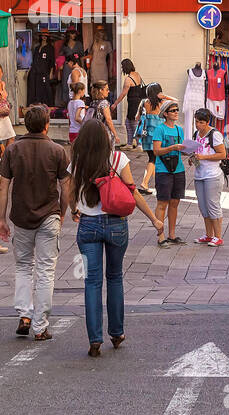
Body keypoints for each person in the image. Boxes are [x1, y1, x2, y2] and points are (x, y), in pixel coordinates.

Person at [67, 118, 160, 357]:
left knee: (92, 281)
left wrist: (73, 209)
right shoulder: (119, 159)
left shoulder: (78, 161)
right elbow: (133, 192)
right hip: (117, 224)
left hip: (88, 225)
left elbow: (68, 190)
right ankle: (117, 333)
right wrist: (153, 219)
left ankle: (95, 338)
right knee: (115, 277)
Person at [1, 105, 71, 340]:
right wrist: (62, 212)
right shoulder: (57, 150)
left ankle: (25, 315)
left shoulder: (13, 150)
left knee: (23, 266)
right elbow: (66, 185)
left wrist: (0, 218)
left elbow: (3, 186)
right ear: (47, 125)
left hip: (21, 216)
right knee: (45, 271)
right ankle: (40, 326)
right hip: (49, 214)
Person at [190, 108, 228, 246]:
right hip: (200, 174)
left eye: (201, 122)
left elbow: (222, 154)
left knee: (213, 205)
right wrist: (193, 159)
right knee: (203, 206)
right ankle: (208, 234)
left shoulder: (214, 135)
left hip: (213, 175)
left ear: (207, 122)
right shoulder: (196, 134)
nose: (198, 125)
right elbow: (197, 153)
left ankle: (218, 236)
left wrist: (204, 157)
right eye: (196, 121)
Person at [151, 104, 187, 246]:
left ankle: (172, 235)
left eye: (177, 110)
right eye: (173, 111)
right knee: (162, 203)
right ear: (165, 114)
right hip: (163, 170)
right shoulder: (160, 129)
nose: (176, 112)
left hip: (178, 169)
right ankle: (161, 236)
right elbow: (156, 151)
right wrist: (172, 147)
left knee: (174, 202)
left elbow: (182, 149)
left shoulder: (179, 130)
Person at [135, 82, 176, 196]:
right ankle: (144, 184)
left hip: (147, 136)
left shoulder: (144, 103)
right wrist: (165, 96)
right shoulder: (163, 104)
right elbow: (175, 101)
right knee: (154, 160)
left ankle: (158, 185)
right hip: (158, 136)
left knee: (154, 159)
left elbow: (136, 118)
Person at [115, 58, 146, 149]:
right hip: (139, 102)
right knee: (129, 122)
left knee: (133, 123)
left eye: (122, 67)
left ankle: (139, 144)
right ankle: (130, 143)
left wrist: (115, 104)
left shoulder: (128, 79)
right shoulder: (137, 75)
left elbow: (123, 94)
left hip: (133, 104)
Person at [88, 79, 121, 147]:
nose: (108, 91)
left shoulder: (93, 103)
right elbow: (108, 120)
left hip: (93, 133)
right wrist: (115, 135)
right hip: (104, 133)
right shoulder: (104, 103)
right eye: (106, 89)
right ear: (101, 90)